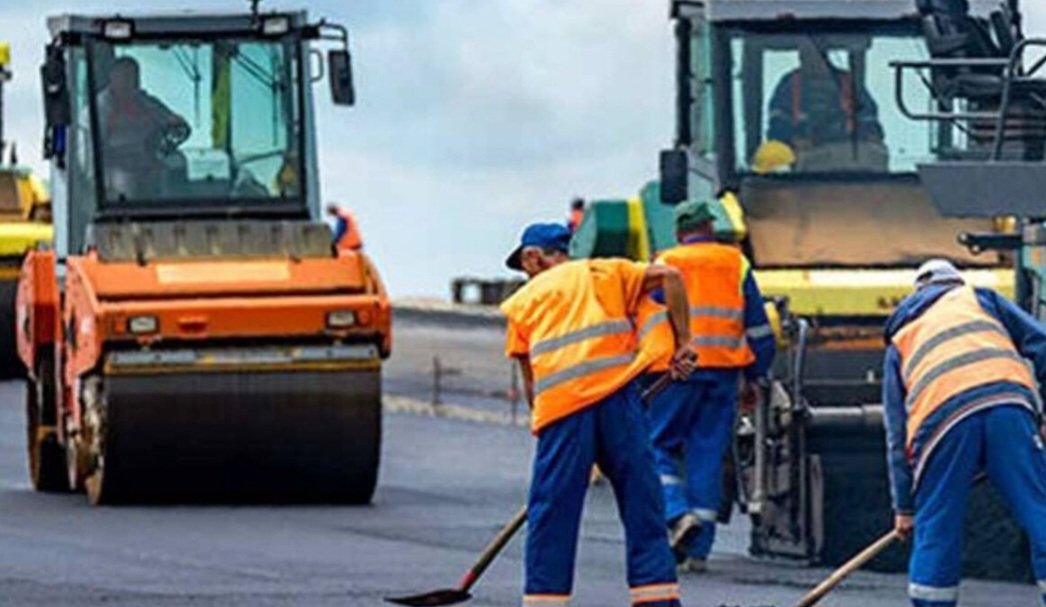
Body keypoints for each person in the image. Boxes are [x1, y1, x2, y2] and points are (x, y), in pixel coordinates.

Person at [500, 222, 695, 607]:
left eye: (524, 266)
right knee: (643, 503)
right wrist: (685, 343)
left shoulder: (526, 299)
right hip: (620, 400)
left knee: (552, 512)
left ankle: (545, 601)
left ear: (532, 257)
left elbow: (530, 383)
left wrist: (545, 429)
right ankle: (656, 599)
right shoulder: (605, 271)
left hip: (563, 410)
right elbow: (671, 275)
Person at [882, 259, 1046, 607]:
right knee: (1040, 510)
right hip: (1009, 406)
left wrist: (905, 508)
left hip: (942, 423)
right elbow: (1042, 343)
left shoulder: (901, 339)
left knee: (937, 527)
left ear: (918, 294)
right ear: (955, 282)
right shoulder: (980, 299)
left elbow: (896, 436)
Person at [636, 200, 775, 572]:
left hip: (674, 372)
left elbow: (646, 322)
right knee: (707, 456)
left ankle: (677, 513)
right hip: (724, 374)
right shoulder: (736, 262)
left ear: (681, 232)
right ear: (710, 228)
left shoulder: (665, 263)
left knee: (654, 446)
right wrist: (757, 375)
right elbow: (759, 328)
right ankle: (698, 551)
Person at [764, 39, 885, 171]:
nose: (810, 58)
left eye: (815, 53)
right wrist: (791, 142)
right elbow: (777, 127)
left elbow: (869, 121)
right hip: (803, 174)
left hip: (851, 166)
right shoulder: (789, 86)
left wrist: (866, 137)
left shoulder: (849, 83)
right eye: (805, 53)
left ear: (825, 55)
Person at [97, 57, 189, 199]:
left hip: (148, 161)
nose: (131, 82)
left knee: (176, 164)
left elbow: (169, 120)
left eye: (134, 77)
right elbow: (89, 151)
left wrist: (174, 123)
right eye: (125, 77)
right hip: (115, 167)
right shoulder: (100, 108)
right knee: (125, 182)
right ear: (113, 78)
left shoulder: (147, 103)